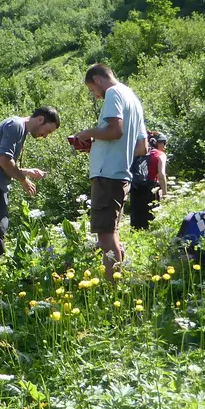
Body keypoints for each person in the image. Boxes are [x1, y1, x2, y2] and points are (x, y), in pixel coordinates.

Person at [0, 107, 61, 304]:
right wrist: (23, 180)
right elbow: (4, 160)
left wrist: (27, 171)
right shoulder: (16, 126)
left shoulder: (17, 127)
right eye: (47, 130)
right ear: (40, 119)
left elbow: (2, 162)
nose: (45, 136)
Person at [71, 63, 147, 277]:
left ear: (97, 79)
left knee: (105, 237)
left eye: (92, 90)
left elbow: (115, 131)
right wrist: (100, 146)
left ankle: (112, 286)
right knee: (112, 233)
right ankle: (117, 281)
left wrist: (87, 134)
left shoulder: (113, 93)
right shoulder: (133, 98)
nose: (96, 96)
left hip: (107, 175)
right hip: (121, 174)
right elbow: (142, 147)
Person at [129, 131, 168, 230]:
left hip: (136, 187)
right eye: (164, 143)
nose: (165, 146)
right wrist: (165, 194)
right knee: (151, 218)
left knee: (137, 219)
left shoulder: (139, 153)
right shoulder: (160, 155)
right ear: (157, 143)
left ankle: (136, 236)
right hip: (152, 188)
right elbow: (161, 174)